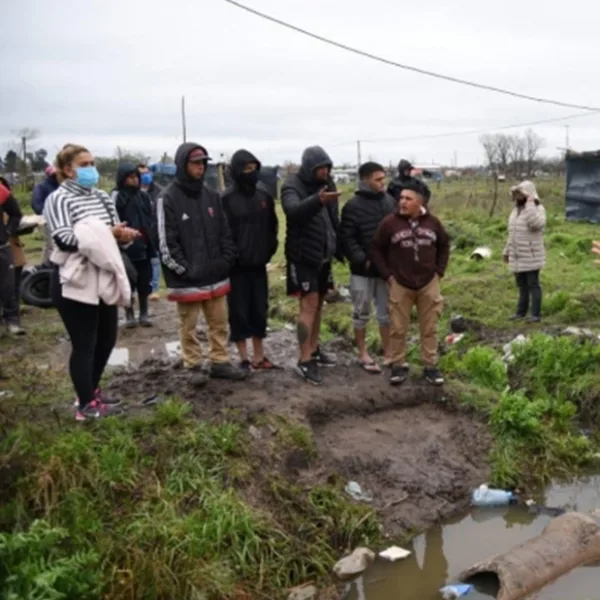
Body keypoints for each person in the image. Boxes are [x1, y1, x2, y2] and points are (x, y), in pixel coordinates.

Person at [44, 144, 141, 421]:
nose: (91, 169)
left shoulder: (100, 197)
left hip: (103, 276)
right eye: (84, 164)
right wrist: (106, 235)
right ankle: (85, 404)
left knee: (107, 339)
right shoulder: (59, 199)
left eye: (92, 163)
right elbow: (64, 238)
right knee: (85, 341)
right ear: (67, 169)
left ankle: (91, 391)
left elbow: (111, 232)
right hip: (74, 279)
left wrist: (122, 235)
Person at [156, 142, 247, 385]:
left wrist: (226, 260)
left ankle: (220, 361)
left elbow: (225, 232)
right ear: (182, 165)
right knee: (189, 326)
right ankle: (193, 364)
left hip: (216, 275)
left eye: (203, 163)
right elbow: (166, 243)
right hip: (187, 279)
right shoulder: (167, 198)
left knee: (219, 323)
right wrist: (185, 269)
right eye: (195, 163)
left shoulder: (211, 196)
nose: (200, 168)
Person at [371, 179, 450, 386]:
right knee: (397, 327)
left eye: (408, 199)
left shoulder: (433, 223)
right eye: (401, 198)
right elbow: (376, 249)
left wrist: (439, 272)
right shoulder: (389, 223)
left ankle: (430, 366)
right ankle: (398, 365)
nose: (402, 202)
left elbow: (444, 245)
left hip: (428, 282)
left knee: (430, 326)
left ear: (419, 202)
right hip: (400, 282)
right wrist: (387, 275)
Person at [282, 145, 341, 385]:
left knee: (319, 306)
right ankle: (304, 360)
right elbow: (292, 211)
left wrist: (341, 248)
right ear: (309, 168)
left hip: (323, 256)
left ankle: (314, 349)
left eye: (327, 167)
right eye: (320, 168)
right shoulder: (291, 185)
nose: (325, 172)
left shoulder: (329, 185)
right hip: (303, 256)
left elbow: (333, 220)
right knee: (308, 305)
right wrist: (317, 200)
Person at [221, 149, 279, 371]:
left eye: (254, 168)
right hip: (236, 268)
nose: (251, 173)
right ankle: (244, 358)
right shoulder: (226, 199)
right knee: (238, 311)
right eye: (246, 169)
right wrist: (230, 258)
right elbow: (222, 234)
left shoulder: (264, 196)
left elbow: (273, 227)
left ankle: (259, 355)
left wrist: (268, 251)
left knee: (260, 309)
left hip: (259, 265)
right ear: (237, 171)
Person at [340, 162, 395, 372]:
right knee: (361, 311)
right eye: (378, 179)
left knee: (387, 313)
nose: (383, 183)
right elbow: (346, 237)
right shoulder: (352, 206)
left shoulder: (390, 202)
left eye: (383, 178)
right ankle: (362, 353)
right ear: (365, 180)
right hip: (362, 271)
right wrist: (362, 259)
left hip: (385, 271)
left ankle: (389, 354)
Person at [113, 164, 156, 327]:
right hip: (125, 248)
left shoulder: (143, 196)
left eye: (136, 177)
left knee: (144, 281)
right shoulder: (117, 196)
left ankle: (144, 314)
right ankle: (129, 314)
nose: (135, 180)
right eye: (130, 177)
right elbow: (113, 219)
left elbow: (149, 218)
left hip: (144, 245)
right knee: (127, 281)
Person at [503, 181, 546, 323]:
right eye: (516, 194)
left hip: (531, 254)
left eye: (521, 194)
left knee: (533, 284)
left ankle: (535, 314)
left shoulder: (538, 209)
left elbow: (535, 224)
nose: (518, 197)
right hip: (517, 254)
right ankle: (520, 313)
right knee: (522, 286)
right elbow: (512, 233)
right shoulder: (515, 211)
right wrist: (507, 250)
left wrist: (530, 204)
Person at [0, 177, 27, 327]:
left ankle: (12, 320)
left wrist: (7, 231)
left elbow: (16, 213)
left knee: (8, 285)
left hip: (3, 247)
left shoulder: (1, 190)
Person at [138, 163, 163, 301]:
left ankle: (154, 289)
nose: (145, 176)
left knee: (155, 261)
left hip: (153, 231)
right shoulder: (133, 192)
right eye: (142, 173)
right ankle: (138, 290)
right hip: (138, 233)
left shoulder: (158, 191)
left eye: (147, 172)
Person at [31, 165, 60, 265]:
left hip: (63, 220)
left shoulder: (61, 186)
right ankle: (45, 268)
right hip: (48, 221)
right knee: (50, 246)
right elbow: (37, 205)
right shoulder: (41, 186)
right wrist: (51, 213)